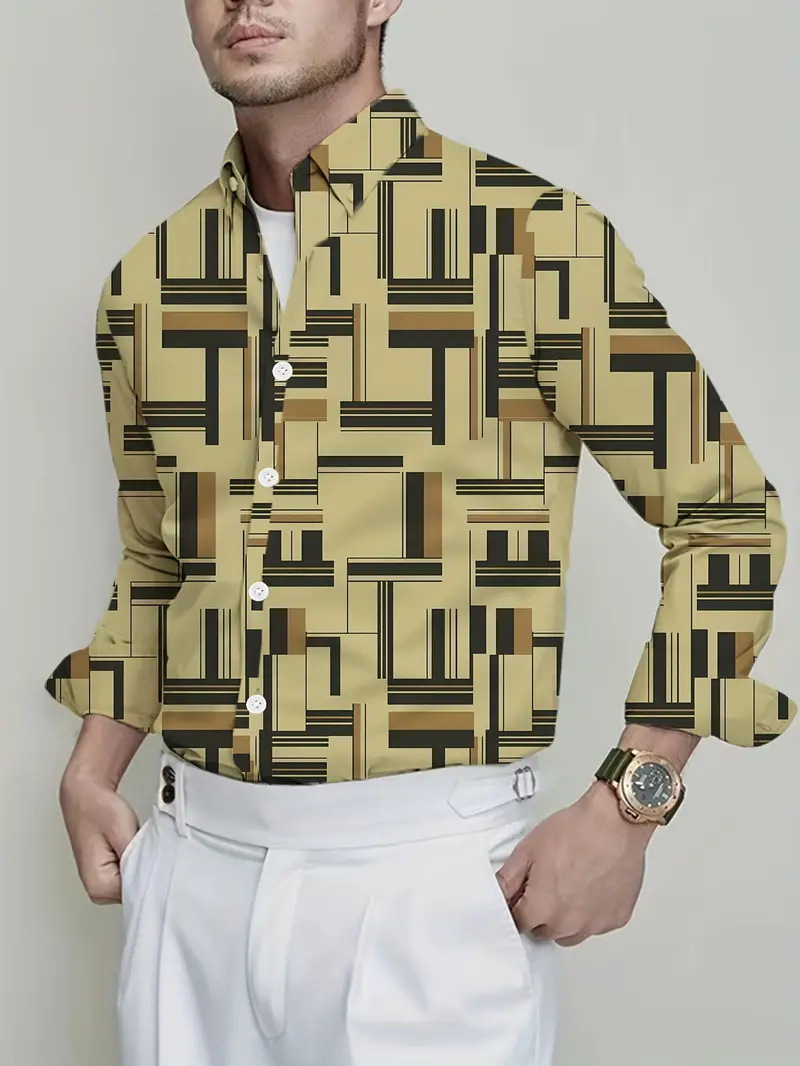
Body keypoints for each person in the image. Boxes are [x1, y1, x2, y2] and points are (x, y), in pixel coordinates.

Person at [45, 2, 796, 1065]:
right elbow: (160, 560)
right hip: (187, 875)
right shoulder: (149, 283)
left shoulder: (527, 239)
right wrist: (91, 767)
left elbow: (726, 517)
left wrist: (628, 805)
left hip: (427, 883)